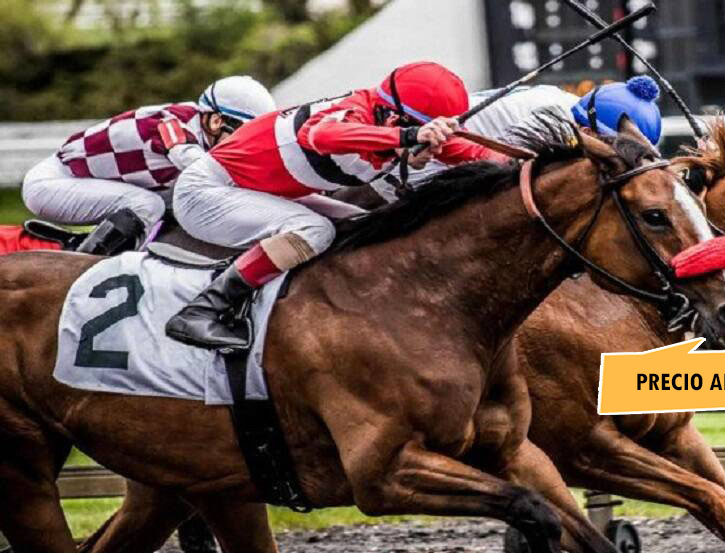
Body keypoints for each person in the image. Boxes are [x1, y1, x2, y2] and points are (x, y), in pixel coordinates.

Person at [165, 61, 503, 350]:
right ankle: (203, 310)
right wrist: (408, 138)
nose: (427, 146)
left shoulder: (394, 122)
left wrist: (526, 165)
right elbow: (317, 136)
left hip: (258, 191)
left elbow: (478, 154)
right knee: (315, 230)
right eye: (416, 130)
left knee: (366, 227)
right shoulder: (352, 112)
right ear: (390, 114)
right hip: (206, 192)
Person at [20, 76, 276, 255]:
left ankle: (92, 244)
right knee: (149, 205)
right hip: (53, 185)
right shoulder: (171, 123)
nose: (245, 146)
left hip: (84, 183)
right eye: (242, 135)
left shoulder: (202, 126)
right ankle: (84, 264)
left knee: (179, 202)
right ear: (216, 121)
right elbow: (193, 162)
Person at [409, 75, 663, 186]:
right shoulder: (552, 120)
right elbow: (506, 177)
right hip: (418, 164)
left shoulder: (572, 108)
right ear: (589, 131)